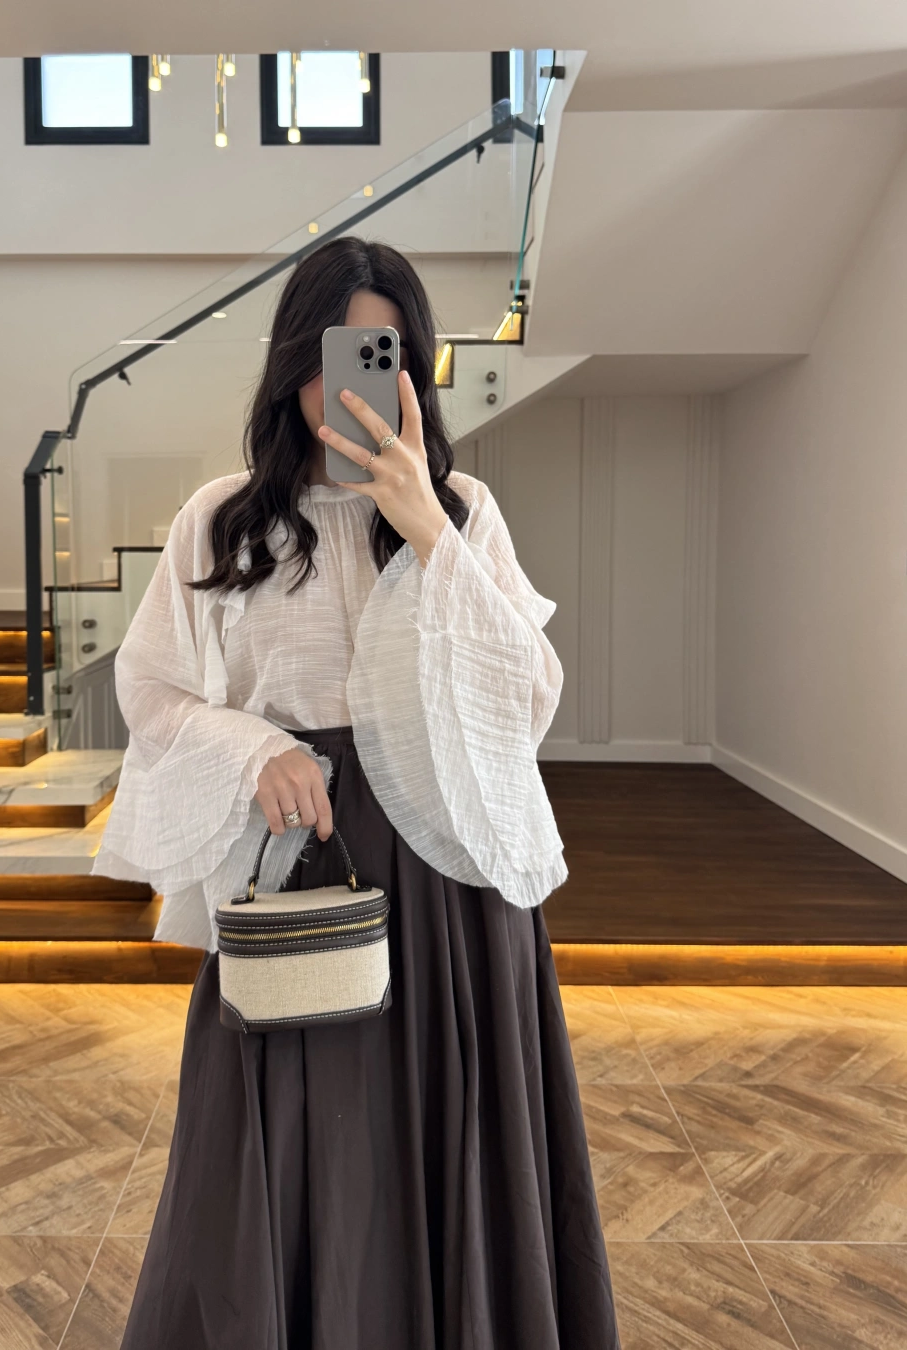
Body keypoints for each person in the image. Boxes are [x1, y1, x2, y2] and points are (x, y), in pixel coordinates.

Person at [91, 236, 620, 1349]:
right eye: (339, 353)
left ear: (414, 369)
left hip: (453, 883)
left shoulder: (462, 509)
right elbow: (149, 688)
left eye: (386, 355)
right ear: (297, 360)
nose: (358, 383)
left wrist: (428, 529)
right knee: (284, 1141)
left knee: (453, 1130)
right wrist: (252, 748)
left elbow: (529, 693)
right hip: (303, 867)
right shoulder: (223, 520)